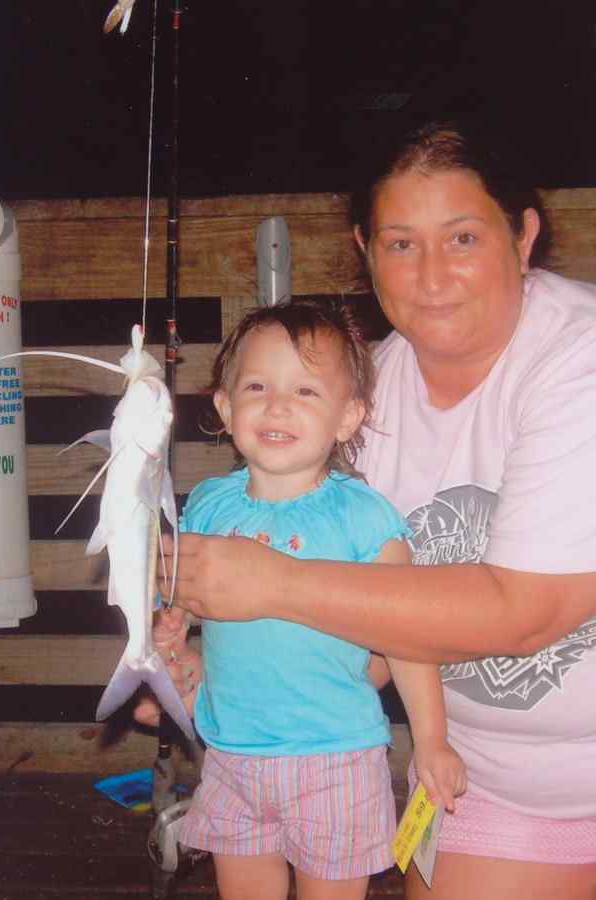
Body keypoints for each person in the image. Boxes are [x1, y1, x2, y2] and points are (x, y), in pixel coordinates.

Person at [150, 122, 596, 900]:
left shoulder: (578, 360)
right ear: (365, 249)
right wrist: (207, 672)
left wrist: (270, 582)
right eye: (400, 244)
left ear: (522, 236)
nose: (431, 275)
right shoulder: (359, 402)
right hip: (464, 777)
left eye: (462, 238)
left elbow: (529, 612)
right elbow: (365, 628)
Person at [144, 300, 466, 900]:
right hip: (230, 754)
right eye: (257, 386)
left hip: (336, 761)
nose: (277, 405)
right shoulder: (208, 504)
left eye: (306, 391)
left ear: (348, 417)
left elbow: (407, 637)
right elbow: (184, 598)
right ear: (225, 407)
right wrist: (171, 631)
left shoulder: (366, 516)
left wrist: (431, 741)